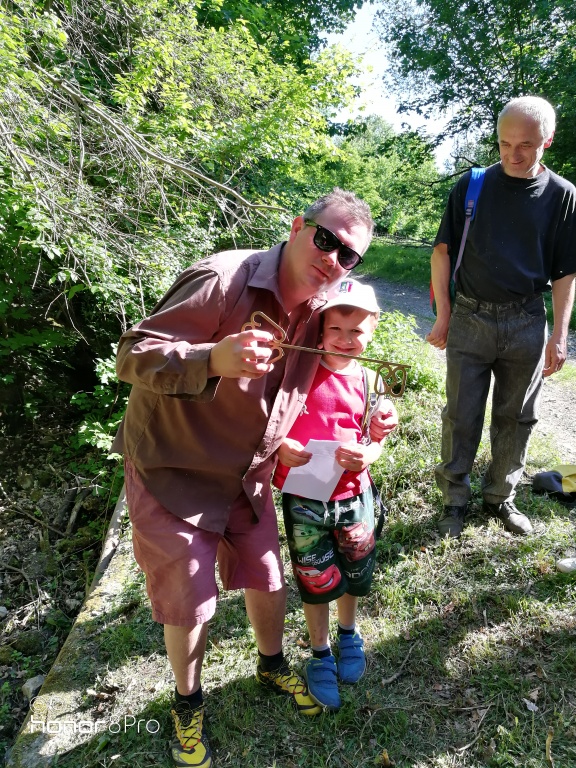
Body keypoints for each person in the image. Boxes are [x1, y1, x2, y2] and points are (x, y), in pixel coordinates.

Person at [112, 189, 397, 768]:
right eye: (326, 240)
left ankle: (272, 666)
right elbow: (132, 354)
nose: (333, 259)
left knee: (268, 578)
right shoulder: (224, 280)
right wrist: (212, 359)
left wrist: (377, 410)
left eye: (349, 255)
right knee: (189, 599)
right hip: (174, 468)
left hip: (249, 473)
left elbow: (341, 365)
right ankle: (187, 702)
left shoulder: (321, 306)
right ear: (297, 227)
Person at [427, 96, 576, 539]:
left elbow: (566, 273)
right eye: (505, 143)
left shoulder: (562, 195)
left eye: (525, 145)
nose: (513, 154)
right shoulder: (472, 186)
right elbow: (441, 253)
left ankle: (500, 497)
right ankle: (454, 500)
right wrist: (444, 314)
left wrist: (560, 336)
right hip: (470, 316)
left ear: (547, 140)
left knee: (517, 416)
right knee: (461, 413)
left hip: (526, 319)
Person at [272, 278, 393, 711]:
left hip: (354, 497)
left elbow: (376, 439)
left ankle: (348, 632)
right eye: (335, 329)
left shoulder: (371, 380)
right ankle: (320, 651)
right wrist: (280, 447)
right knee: (314, 575)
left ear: (372, 329)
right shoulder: (295, 372)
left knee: (354, 570)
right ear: (320, 329)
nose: (345, 339)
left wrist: (369, 453)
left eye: (356, 330)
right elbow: (269, 426)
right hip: (304, 499)